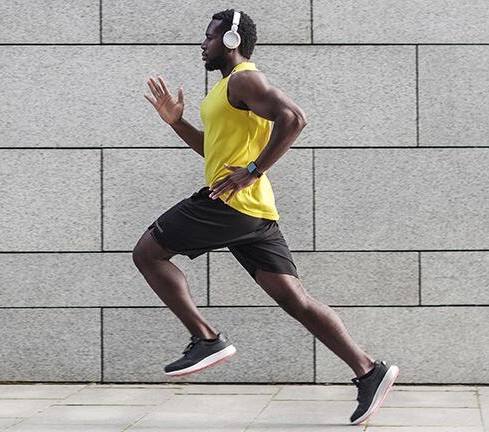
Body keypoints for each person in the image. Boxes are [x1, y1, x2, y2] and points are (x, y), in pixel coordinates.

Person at [133, 9, 398, 425]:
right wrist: (176, 122)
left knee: (148, 253)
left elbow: (294, 118)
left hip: (229, 203)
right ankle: (369, 370)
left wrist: (253, 171)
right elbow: (214, 152)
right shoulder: (225, 91)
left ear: (232, 41)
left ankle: (206, 339)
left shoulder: (244, 79)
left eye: (209, 37)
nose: (201, 44)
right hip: (253, 212)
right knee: (295, 299)